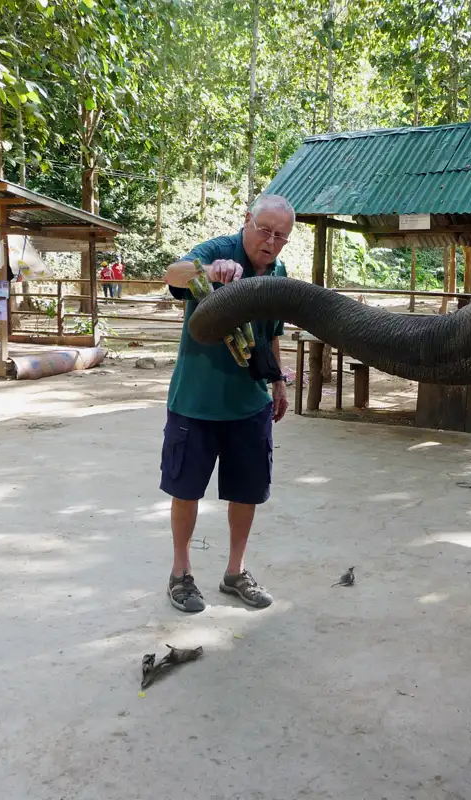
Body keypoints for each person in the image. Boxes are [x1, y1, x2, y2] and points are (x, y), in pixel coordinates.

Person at [160, 194, 294, 613]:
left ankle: (235, 572)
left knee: (247, 492)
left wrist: (279, 383)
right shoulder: (218, 251)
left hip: (249, 405)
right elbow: (173, 273)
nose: (270, 241)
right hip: (196, 402)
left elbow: (271, 332)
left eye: (280, 236)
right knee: (187, 490)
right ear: (247, 222)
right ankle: (180, 573)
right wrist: (209, 272)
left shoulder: (279, 272)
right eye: (264, 230)